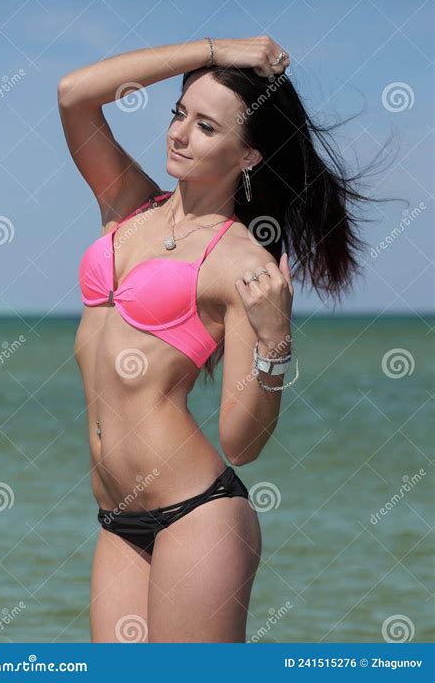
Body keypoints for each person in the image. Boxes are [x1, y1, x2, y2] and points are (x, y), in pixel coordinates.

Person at [57, 36, 386, 643]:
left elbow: (242, 442)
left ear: (249, 155)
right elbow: (75, 95)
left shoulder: (240, 260)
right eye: (179, 113)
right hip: (117, 518)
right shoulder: (129, 204)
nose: (179, 134)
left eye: (206, 126)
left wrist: (275, 339)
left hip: (198, 516)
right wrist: (216, 49)